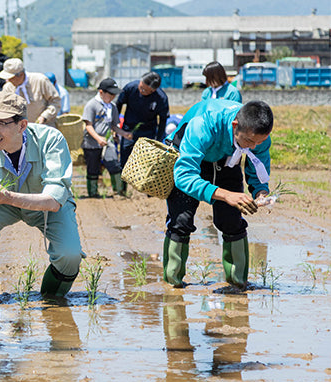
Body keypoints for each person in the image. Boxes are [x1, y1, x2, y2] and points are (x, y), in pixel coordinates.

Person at [0, 92, 84, 307]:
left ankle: (52, 299)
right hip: (4, 205)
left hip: (45, 204)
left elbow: (54, 200)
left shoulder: (51, 141)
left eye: (0, 123)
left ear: (22, 125)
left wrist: (10, 197)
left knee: (70, 255)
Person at [162, 99, 273, 288]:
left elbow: (258, 164)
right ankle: (173, 282)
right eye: (249, 141)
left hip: (228, 160)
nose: (253, 147)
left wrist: (260, 191)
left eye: (259, 142)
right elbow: (184, 176)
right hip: (191, 158)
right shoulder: (203, 125)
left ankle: (238, 282)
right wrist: (225, 194)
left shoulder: (257, 135)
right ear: (235, 125)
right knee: (181, 220)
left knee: (231, 221)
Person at [81, 78, 132, 197]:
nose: (113, 97)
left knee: (114, 164)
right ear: (101, 92)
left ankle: (119, 191)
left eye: (114, 94)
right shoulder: (92, 105)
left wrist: (123, 133)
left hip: (107, 141)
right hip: (91, 143)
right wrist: (98, 138)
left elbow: (114, 125)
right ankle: (93, 193)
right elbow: (88, 125)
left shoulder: (113, 107)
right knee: (93, 168)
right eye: (110, 94)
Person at [115, 71, 170, 167]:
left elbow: (162, 121)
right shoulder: (130, 88)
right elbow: (118, 105)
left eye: (145, 90)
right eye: (141, 87)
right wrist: (116, 127)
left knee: (144, 164)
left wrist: (158, 141)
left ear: (153, 90)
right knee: (124, 161)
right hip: (129, 130)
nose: (141, 91)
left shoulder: (161, 98)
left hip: (148, 132)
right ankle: (122, 182)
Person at [0, 58, 61, 127]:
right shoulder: (8, 87)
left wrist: (45, 116)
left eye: (11, 77)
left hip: (44, 127)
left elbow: (55, 101)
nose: (8, 80)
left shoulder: (40, 80)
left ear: (21, 75)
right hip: (20, 130)